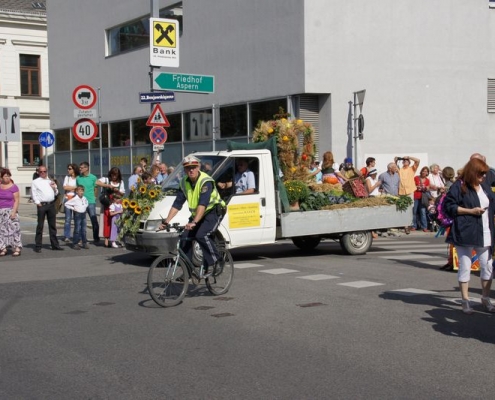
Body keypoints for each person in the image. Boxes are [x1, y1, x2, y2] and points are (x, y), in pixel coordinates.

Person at [443, 157, 495, 314]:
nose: (483, 177)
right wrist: (470, 211)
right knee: (465, 267)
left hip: (485, 231)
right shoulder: (459, 186)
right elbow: (449, 206)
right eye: (480, 174)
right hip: (465, 231)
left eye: (485, 174)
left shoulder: (484, 186)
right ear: (473, 172)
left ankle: (485, 298)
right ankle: (465, 301)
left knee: (488, 267)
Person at [160, 155, 226, 277]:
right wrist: (166, 221)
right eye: (188, 168)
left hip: (214, 211)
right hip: (199, 214)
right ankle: (188, 272)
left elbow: (203, 204)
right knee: (184, 237)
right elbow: (177, 204)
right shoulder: (184, 183)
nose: (191, 170)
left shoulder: (205, 181)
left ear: (198, 167)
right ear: (184, 170)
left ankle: (218, 261)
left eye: (193, 167)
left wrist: (194, 222)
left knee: (201, 235)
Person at [32, 166, 62, 252]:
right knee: (40, 226)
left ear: (46, 172)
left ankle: (55, 245)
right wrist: (38, 202)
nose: (43, 173)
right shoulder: (35, 182)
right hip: (42, 205)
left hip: (51, 204)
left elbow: (56, 193)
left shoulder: (50, 181)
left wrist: (54, 188)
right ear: (38, 172)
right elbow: (34, 193)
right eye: (41, 171)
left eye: (44, 171)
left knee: (52, 226)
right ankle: (38, 246)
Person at [76, 161, 103, 245]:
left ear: (86, 168)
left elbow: (96, 188)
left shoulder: (93, 177)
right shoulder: (78, 178)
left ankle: (96, 237)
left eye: (81, 168)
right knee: (81, 221)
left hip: (90, 201)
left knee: (93, 219)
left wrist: (94, 197)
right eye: (79, 167)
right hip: (81, 202)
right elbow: (78, 189)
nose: (80, 169)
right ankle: (81, 238)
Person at [99, 167, 125, 248]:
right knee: (107, 221)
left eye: (116, 175)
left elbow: (122, 194)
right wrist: (108, 185)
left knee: (117, 221)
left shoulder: (121, 182)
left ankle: (117, 239)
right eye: (113, 174)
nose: (114, 176)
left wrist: (117, 191)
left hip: (117, 203)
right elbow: (96, 182)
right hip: (108, 203)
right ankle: (106, 239)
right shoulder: (106, 179)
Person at [0, 169, 22, 256]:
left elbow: (16, 200)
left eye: (8, 176)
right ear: (1, 177)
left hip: (10, 210)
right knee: (1, 230)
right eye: (5, 176)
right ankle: (3, 248)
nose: (7, 178)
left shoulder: (14, 187)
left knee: (14, 230)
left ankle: (17, 247)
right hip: (1, 211)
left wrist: (14, 212)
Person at [396, 156, 420, 234]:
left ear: (409, 162)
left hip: (409, 191)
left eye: (407, 161)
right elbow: (394, 167)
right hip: (402, 191)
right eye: (404, 160)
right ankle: (405, 225)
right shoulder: (400, 169)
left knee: (410, 209)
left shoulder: (412, 169)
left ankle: (409, 225)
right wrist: (396, 160)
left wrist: (409, 157)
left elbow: (418, 160)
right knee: (403, 209)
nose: (405, 161)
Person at [64, 185, 89, 250]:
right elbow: (66, 204)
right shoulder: (75, 198)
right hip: (77, 214)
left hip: (83, 214)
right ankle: (75, 243)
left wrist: (84, 207)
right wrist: (73, 208)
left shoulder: (84, 198)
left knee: (83, 229)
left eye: (82, 191)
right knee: (77, 229)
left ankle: (84, 242)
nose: (81, 192)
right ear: (77, 192)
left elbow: (87, 203)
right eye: (79, 191)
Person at [62, 163, 79, 242]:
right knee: (68, 219)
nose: (68, 170)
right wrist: (74, 188)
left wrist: (72, 188)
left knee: (76, 218)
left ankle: (76, 235)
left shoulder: (78, 178)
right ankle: (67, 235)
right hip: (68, 199)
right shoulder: (67, 177)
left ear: (74, 169)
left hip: (76, 199)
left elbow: (79, 188)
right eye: (68, 168)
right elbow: (65, 187)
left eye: (70, 169)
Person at [412, 166, 430, 232]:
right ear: (421, 171)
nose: (424, 172)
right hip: (416, 196)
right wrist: (417, 187)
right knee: (414, 212)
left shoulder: (427, 180)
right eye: (423, 171)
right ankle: (414, 226)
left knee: (423, 212)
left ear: (427, 173)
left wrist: (425, 188)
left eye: (426, 171)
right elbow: (412, 185)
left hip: (423, 198)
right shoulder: (416, 178)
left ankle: (424, 227)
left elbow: (428, 188)